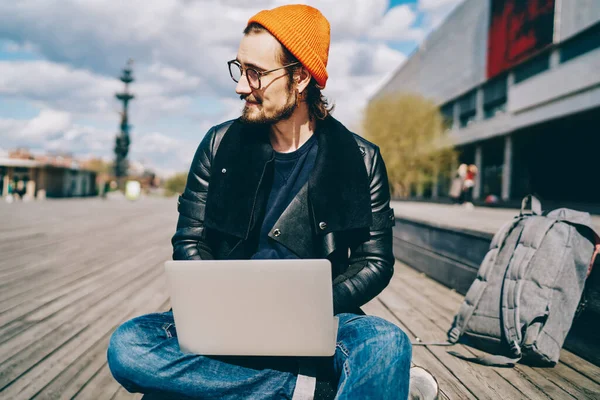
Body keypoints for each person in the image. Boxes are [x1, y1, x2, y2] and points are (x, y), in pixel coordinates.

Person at [108, 5, 426, 399]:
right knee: (129, 346)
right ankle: (306, 389)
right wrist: (223, 303)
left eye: (256, 72)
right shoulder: (217, 144)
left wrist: (310, 305)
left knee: (387, 342)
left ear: (301, 77)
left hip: (320, 316)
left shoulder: (361, 158)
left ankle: (230, 382)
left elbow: (374, 262)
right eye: (239, 69)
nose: (242, 86)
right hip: (228, 315)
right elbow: (190, 241)